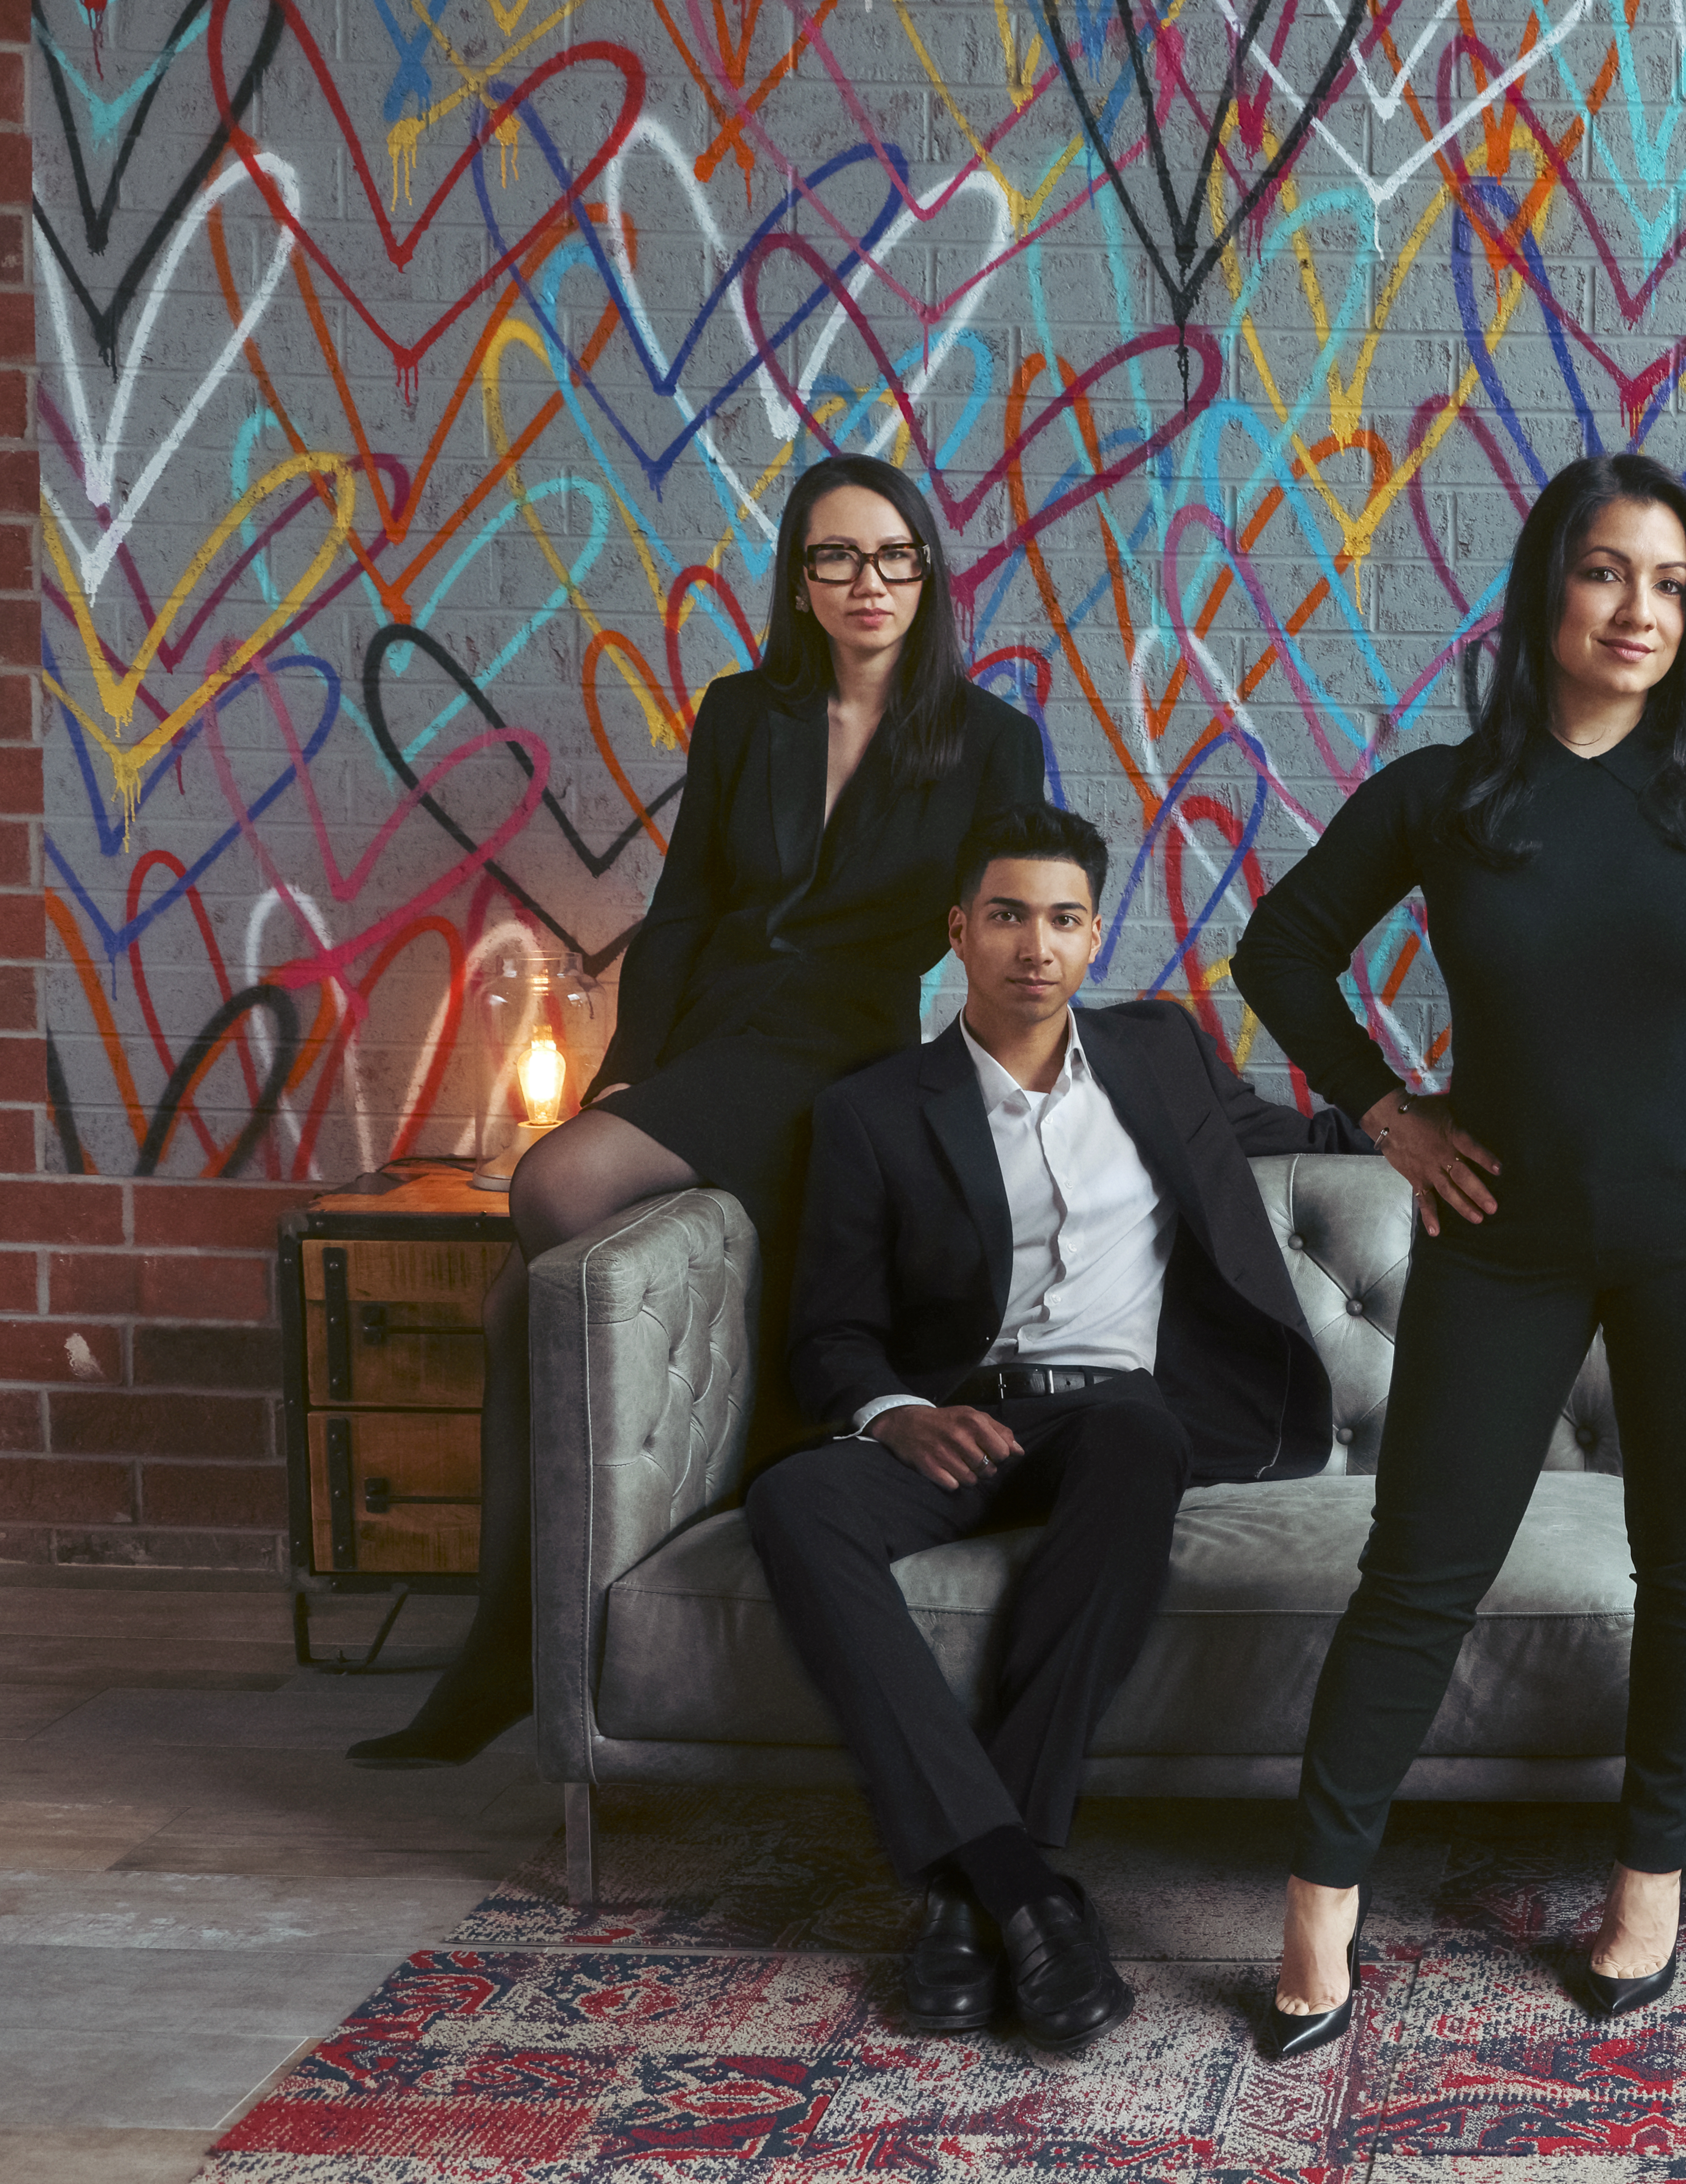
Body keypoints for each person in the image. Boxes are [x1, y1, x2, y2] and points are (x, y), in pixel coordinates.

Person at [1229, 452, 1686, 2059]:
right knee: (1418, 1575)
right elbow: (1282, 947)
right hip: (1504, 1235)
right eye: (1609, 572)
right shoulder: (1448, 794)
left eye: (1672, 584)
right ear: (1550, 588)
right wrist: (1387, 1113)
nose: (1639, 610)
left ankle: (1646, 1896)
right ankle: (1318, 1920)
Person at [350, 454, 1046, 1771]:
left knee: (553, 1190)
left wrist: (996, 1092)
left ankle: (513, 1648)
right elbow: (679, 916)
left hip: (836, 1048)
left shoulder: (988, 738)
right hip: (714, 1035)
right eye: (835, 558)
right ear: (798, 581)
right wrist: (627, 1072)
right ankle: (515, 1647)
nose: (867, 583)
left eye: (893, 554)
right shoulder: (746, 712)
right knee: (524, 1306)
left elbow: (1011, 922)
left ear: (929, 570)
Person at [751, 802, 1374, 2052]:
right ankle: (1022, 1885)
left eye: (1065, 918)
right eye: (1008, 915)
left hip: (1118, 1419)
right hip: (960, 1422)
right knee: (795, 1501)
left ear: (1095, 938)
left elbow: (1308, 1136)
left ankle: (973, 1890)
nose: (1036, 944)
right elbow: (829, 1329)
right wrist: (897, 1409)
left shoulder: (1161, 1058)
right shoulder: (874, 1111)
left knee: (1142, 1436)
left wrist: (1481, 1128)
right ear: (959, 932)